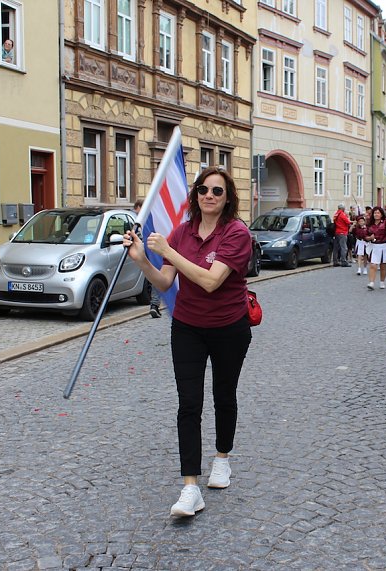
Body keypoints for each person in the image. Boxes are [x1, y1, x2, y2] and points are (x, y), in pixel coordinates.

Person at [123, 166, 253, 516]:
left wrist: (168, 250)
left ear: (228, 199)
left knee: (224, 396)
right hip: (188, 327)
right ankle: (190, 487)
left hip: (229, 327)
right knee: (188, 404)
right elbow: (165, 283)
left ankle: (222, 458)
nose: (209, 196)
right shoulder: (182, 232)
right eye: (203, 190)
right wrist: (141, 261)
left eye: (217, 191)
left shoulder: (237, 234)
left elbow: (210, 281)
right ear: (195, 195)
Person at [132, 198, 163, 318]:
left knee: (155, 276)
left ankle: (154, 305)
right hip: (145, 250)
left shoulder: (150, 217)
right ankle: (154, 305)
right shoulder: (140, 219)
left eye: (138, 211)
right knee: (153, 276)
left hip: (151, 249)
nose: (137, 214)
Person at [364, 206, 386, 290]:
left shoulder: (385, 222)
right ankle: (371, 282)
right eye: (375, 213)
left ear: (381, 214)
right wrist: (370, 238)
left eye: (378, 213)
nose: (376, 214)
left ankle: (382, 281)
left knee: (383, 266)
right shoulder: (369, 224)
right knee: (373, 264)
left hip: (384, 245)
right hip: (374, 246)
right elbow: (365, 236)